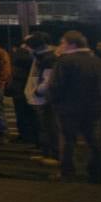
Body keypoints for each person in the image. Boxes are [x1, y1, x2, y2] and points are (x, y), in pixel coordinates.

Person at [49, 30, 101, 183]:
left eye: (63, 43)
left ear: (71, 44)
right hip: (95, 108)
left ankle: (67, 172)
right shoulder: (98, 62)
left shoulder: (65, 61)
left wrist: (55, 103)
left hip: (69, 108)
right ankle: (97, 171)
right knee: (94, 140)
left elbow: (56, 86)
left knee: (68, 140)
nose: (61, 46)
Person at [24, 33, 59, 166]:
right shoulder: (41, 57)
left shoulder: (48, 58)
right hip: (40, 97)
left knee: (49, 126)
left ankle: (54, 154)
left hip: (45, 98)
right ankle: (46, 152)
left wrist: (38, 91)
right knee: (44, 126)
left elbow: (47, 79)